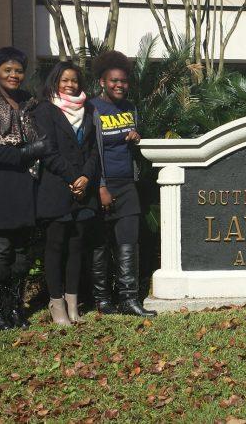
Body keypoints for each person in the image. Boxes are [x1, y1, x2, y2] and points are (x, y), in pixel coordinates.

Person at [0, 47, 47, 330]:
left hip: (26, 184)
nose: (14, 75)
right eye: (8, 70)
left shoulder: (29, 102)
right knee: (1, 249)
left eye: (18, 71)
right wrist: (27, 152)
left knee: (23, 252)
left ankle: (16, 308)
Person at [88, 51, 156, 317]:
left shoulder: (130, 108)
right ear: (102, 82)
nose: (120, 85)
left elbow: (131, 146)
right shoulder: (92, 108)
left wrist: (137, 136)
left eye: (124, 81)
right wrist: (101, 186)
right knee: (100, 243)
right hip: (101, 185)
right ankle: (103, 300)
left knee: (129, 241)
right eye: (114, 80)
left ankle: (128, 299)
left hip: (127, 183)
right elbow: (92, 150)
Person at [33, 61, 99, 326]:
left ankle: (73, 303)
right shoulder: (45, 110)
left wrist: (86, 176)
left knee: (76, 247)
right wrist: (73, 177)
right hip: (56, 188)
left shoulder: (89, 109)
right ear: (55, 82)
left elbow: (95, 149)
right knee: (56, 246)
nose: (70, 85)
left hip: (84, 190)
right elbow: (47, 150)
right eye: (65, 80)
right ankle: (56, 302)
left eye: (74, 80)